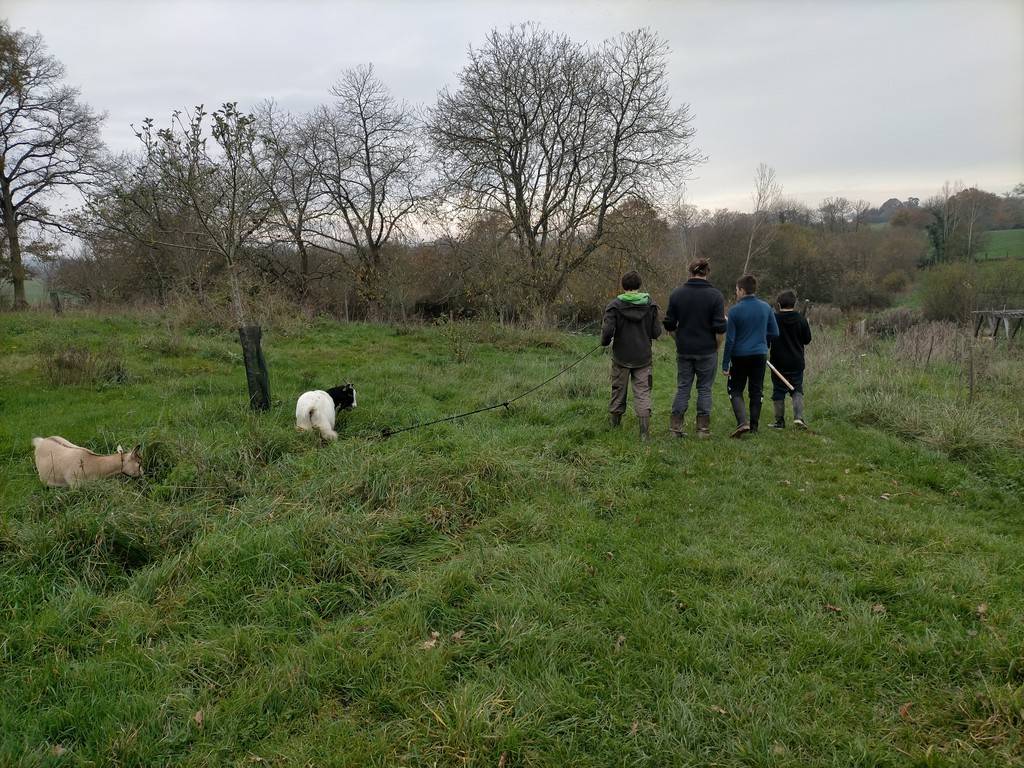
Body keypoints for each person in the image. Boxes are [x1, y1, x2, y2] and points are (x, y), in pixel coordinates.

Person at [662, 258, 727, 438]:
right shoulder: (716, 296)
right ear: (707, 272)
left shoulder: (677, 294)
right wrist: (716, 347)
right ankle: (703, 429)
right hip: (707, 349)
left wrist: (679, 339)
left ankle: (676, 428)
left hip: (684, 349)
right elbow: (720, 329)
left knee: (683, 387)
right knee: (705, 388)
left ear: (690, 272)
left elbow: (669, 324)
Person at [601, 270, 662, 440]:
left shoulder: (614, 306)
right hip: (643, 357)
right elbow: (657, 332)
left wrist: (604, 342)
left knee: (618, 390)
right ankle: (644, 434)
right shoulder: (650, 305)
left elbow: (607, 332)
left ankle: (615, 426)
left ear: (623, 286)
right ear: (639, 285)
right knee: (643, 393)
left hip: (621, 357)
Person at [721, 274, 778, 438]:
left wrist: (725, 364)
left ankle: (742, 422)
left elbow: (730, 339)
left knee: (735, 389)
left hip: (739, 356)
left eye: (737, 290)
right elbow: (775, 332)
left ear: (742, 290)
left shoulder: (734, 311)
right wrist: (763, 343)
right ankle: (754, 426)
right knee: (756, 390)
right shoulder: (766, 307)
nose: (736, 293)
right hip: (759, 354)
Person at [768, 290, 812, 429]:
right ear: (794, 303)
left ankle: (779, 422)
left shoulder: (774, 319)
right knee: (797, 389)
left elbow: (767, 339)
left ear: (779, 304)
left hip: (778, 362)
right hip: (796, 362)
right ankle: (798, 418)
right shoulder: (801, 319)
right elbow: (807, 340)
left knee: (778, 391)